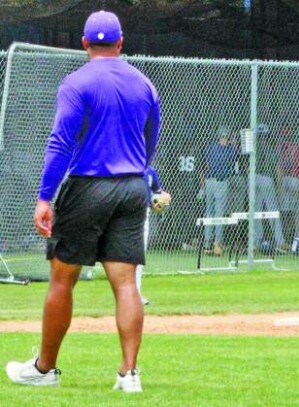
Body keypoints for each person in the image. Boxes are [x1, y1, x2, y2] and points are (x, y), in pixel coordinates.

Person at [5, 10, 160, 392]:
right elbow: (150, 139)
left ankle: (44, 369)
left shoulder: (76, 82)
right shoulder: (144, 83)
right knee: (126, 284)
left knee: (62, 280)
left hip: (88, 186)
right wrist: (141, 173)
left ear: (85, 44)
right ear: (121, 43)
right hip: (131, 187)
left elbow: (60, 143)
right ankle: (129, 374)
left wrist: (44, 196)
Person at [136, 166, 171, 306]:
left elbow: (157, 196)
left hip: (143, 216)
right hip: (124, 214)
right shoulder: (127, 167)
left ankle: (136, 294)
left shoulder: (150, 171)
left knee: (138, 257)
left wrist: (163, 199)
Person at [201, 125, 238, 256]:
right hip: (219, 182)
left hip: (210, 181)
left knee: (210, 213)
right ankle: (216, 243)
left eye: (225, 138)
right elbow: (234, 159)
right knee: (218, 214)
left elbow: (206, 164)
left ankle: (209, 242)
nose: (224, 140)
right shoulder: (230, 150)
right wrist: (233, 143)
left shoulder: (211, 148)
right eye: (224, 138)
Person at [254, 124, 288, 253]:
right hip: (266, 179)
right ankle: (280, 241)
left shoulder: (253, 149)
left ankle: (257, 241)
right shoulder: (270, 148)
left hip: (253, 178)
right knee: (272, 211)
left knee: (256, 211)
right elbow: (278, 169)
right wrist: (279, 186)